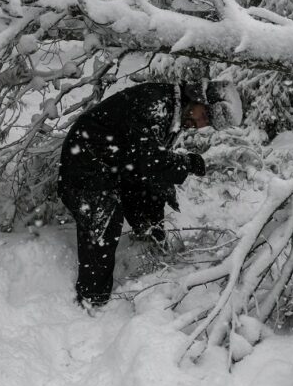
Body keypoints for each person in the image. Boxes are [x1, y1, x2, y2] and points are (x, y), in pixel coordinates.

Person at [56, 80, 241, 308]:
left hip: (112, 165)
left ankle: (148, 242)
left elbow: (147, 163)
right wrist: (187, 163)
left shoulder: (173, 110)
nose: (201, 124)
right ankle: (92, 300)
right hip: (84, 166)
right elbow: (148, 160)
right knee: (106, 221)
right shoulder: (156, 103)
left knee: (153, 190)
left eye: (208, 123)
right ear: (196, 99)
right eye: (204, 115)